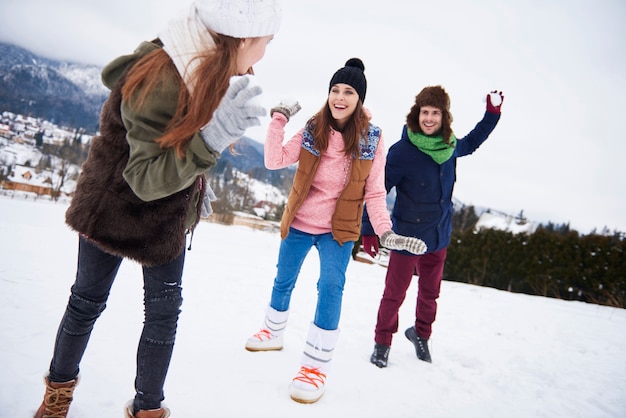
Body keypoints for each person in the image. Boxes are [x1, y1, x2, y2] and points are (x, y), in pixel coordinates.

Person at [33, 1, 282, 417]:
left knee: (163, 316)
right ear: (242, 38)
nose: (265, 52)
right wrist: (212, 140)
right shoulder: (164, 76)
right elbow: (145, 177)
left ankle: (148, 409)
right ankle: (56, 398)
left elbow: (176, 156)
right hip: (111, 207)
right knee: (87, 302)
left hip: (166, 213)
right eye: (266, 42)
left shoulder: (208, 70)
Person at [244, 58, 428, 404]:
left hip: (339, 230)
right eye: (334, 90)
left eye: (347, 91)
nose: (339, 97)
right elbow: (275, 159)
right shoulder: (314, 127)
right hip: (300, 221)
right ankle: (272, 331)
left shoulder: (372, 139)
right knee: (283, 279)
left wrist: (385, 233)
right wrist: (278, 120)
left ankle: (314, 367)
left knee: (330, 289)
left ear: (359, 98)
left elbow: (374, 192)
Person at [363, 85, 503, 368]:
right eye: (424, 112)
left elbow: (473, 142)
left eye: (435, 113)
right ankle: (382, 342)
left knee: (430, 292)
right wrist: (369, 229)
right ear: (417, 114)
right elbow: (378, 191)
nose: (429, 118)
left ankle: (421, 334)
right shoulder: (402, 152)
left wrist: (492, 113)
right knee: (394, 293)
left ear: (444, 117)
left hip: (439, 234)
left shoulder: (450, 146)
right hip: (406, 236)